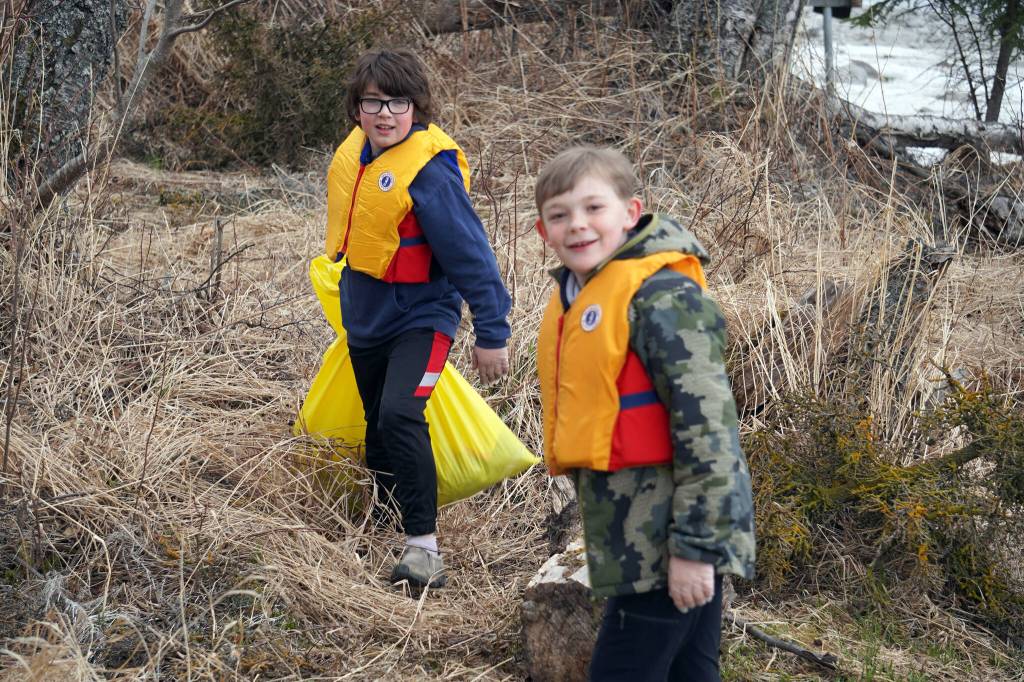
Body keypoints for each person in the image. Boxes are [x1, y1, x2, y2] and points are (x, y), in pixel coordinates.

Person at [533, 146, 756, 681]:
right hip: (635, 531)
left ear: (631, 213)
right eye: (559, 215)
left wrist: (696, 549)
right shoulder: (580, 293)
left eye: (593, 208)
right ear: (543, 232)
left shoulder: (662, 298)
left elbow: (710, 431)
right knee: (690, 672)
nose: (577, 225)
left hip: (670, 537)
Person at [324, 49, 511, 589]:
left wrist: (492, 332)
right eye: (373, 102)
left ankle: (423, 550)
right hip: (365, 317)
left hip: (423, 317)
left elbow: (471, 254)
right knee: (377, 427)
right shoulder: (355, 157)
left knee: (401, 414)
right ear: (357, 109)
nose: (385, 115)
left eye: (398, 103)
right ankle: (384, 523)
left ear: (417, 108)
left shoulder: (430, 173)